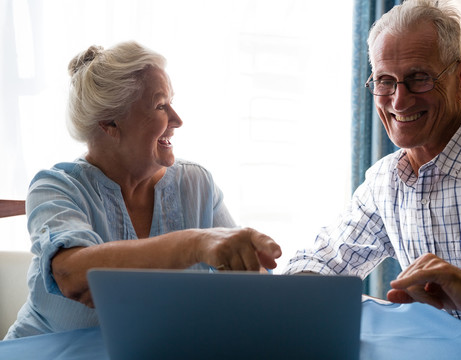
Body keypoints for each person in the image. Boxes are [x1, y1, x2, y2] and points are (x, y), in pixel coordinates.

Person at [284, 0, 461, 344]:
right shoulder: (384, 182)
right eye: (384, 81)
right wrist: (286, 296)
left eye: (419, 78)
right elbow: (325, 261)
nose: (399, 101)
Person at [5, 41, 281, 339]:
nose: (177, 120)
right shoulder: (55, 186)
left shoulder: (197, 183)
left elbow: (247, 285)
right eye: (161, 105)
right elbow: (73, 276)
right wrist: (194, 244)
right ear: (110, 122)